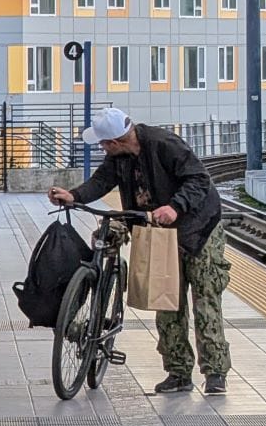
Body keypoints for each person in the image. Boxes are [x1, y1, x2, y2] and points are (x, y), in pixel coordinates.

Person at [48, 108, 230, 394]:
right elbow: (101, 182)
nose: (101, 148)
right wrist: (75, 196)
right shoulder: (118, 158)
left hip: (198, 230)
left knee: (205, 300)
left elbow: (198, 179)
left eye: (103, 143)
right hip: (158, 229)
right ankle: (179, 372)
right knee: (167, 300)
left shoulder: (163, 144)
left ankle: (216, 373)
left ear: (115, 141)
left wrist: (175, 206)